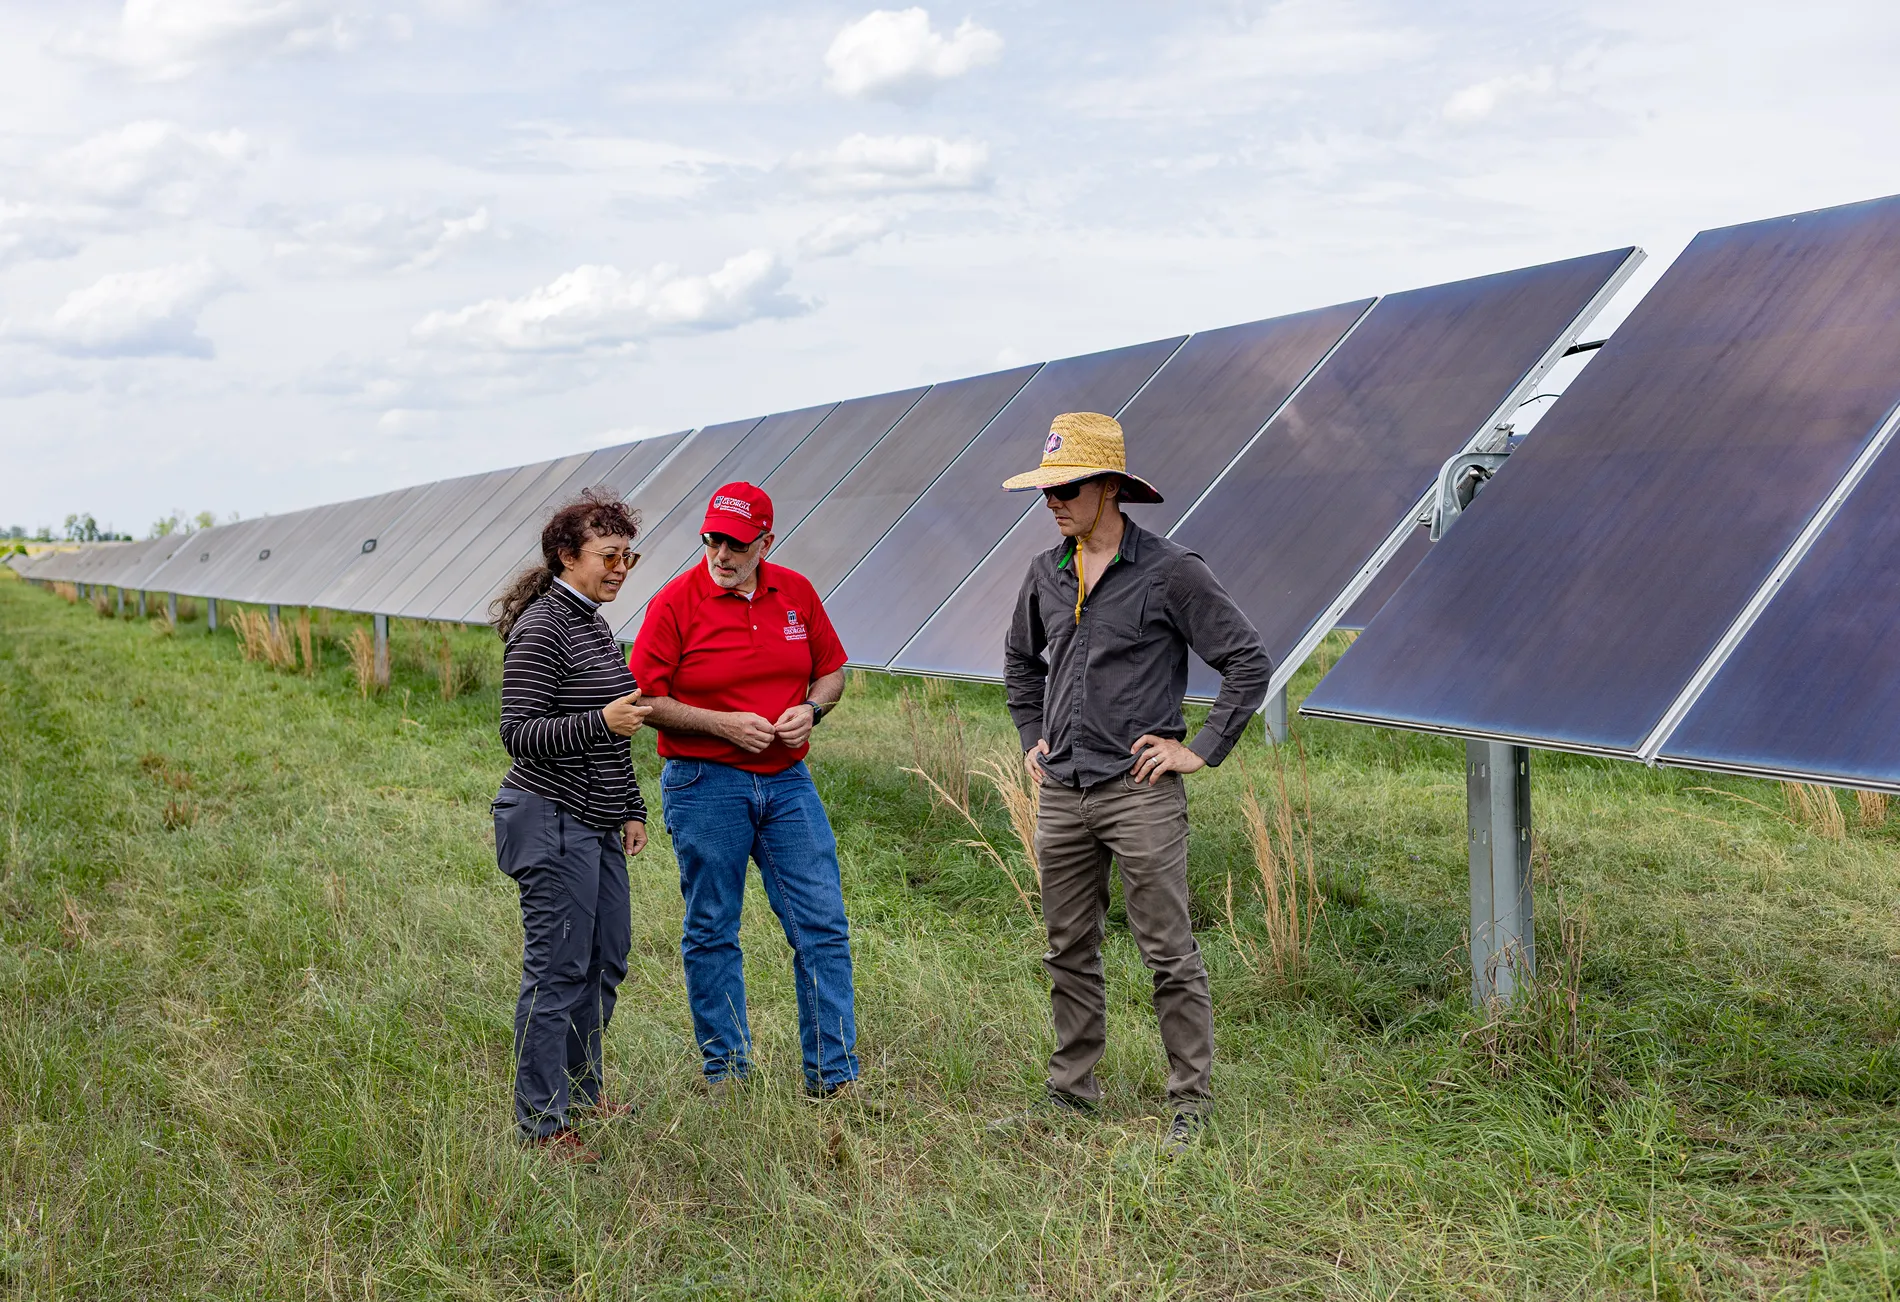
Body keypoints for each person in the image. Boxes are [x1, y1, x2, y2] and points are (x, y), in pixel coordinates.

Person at [1001, 412, 1271, 1152]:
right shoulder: (1045, 571)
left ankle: (1190, 1101)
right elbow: (1021, 665)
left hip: (1138, 790)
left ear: (1111, 487)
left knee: (1167, 951)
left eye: (1068, 488)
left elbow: (1248, 660)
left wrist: (1202, 749)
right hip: (1062, 789)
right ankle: (1071, 1091)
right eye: (1045, 491)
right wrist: (1032, 739)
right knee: (1067, 946)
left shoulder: (1171, 571)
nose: (1053, 502)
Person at [628, 482, 859, 1098]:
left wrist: (813, 708)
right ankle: (726, 1071)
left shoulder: (797, 593)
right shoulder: (676, 602)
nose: (721, 553)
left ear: (765, 542)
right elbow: (645, 699)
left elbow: (832, 670)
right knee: (712, 925)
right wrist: (720, 723)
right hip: (705, 782)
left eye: (736, 542)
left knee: (822, 924)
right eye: (712, 539)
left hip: (787, 781)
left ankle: (833, 1078)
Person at [490, 488, 652, 1161]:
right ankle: (542, 1123)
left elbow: (616, 730)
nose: (619, 568)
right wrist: (599, 722)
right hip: (548, 817)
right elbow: (518, 734)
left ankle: (583, 1094)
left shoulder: (593, 624)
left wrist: (632, 807)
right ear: (567, 556)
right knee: (557, 972)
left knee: (605, 959)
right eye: (608, 556)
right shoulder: (542, 629)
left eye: (627, 557)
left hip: (595, 819)